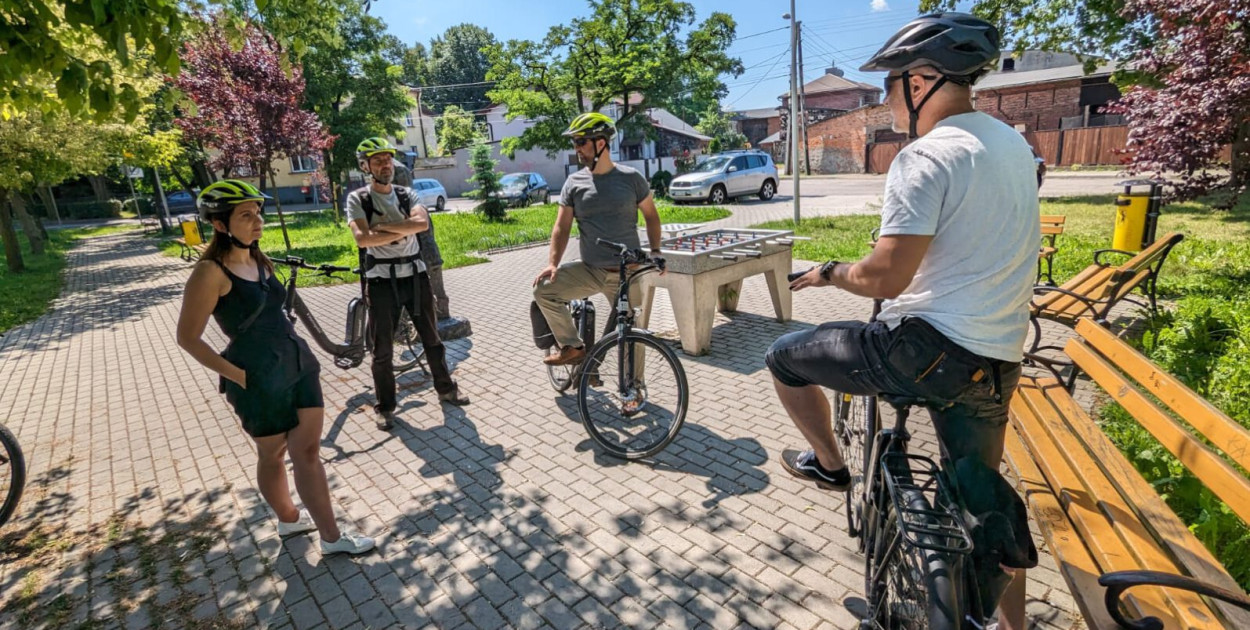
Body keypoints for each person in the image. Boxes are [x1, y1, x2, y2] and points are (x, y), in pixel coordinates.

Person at [763, 13, 1038, 630]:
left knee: (784, 356)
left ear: (922, 81)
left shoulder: (924, 156)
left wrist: (830, 273)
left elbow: (887, 279)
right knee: (982, 503)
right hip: (997, 358)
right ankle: (1004, 625)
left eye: (890, 82)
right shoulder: (1011, 146)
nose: (884, 95)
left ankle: (830, 466)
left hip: (922, 350)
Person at [176, 180, 374, 556]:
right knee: (272, 455)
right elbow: (188, 338)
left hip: (297, 363)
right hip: (256, 376)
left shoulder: (257, 258)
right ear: (220, 224)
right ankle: (287, 517)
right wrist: (239, 377)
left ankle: (331, 537)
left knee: (308, 451)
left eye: (258, 213)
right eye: (246, 215)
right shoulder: (209, 273)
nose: (258, 221)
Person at [347, 137, 469, 432]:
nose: (385, 165)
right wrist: (400, 230)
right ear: (365, 166)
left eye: (387, 159)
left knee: (432, 339)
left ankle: (446, 388)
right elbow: (363, 239)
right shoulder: (358, 199)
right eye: (377, 161)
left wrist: (382, 228)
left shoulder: (406, 194)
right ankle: (386, 407)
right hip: (381, 281)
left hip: (415, 277)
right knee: (382, 350)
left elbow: (421, 224)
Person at [533, 113, 665, 368]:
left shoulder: (631, 178)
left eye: (581, 141)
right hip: (591, 270)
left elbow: (651, 216)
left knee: (633, 336)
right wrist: (553, 263)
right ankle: (572, 347)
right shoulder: (574, 183)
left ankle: (634, 390)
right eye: (575, 143)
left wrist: (657, 250)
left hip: (629, 274)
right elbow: (561, 226)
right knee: (543, 290)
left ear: (601, 143)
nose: (577, 149)